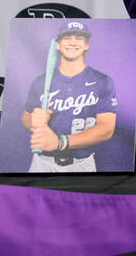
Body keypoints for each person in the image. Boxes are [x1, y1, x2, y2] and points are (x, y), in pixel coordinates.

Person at [21, 23, 117, 173]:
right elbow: (26, 119)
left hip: (82, 163)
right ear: (58, 45)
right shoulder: (40, 82)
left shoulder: (102, 81)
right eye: (67, 38)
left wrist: (61, 142)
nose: (72, 42)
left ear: (86, 45)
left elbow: (106, 129)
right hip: (42, 163)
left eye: (79, 38)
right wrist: (33, 121)